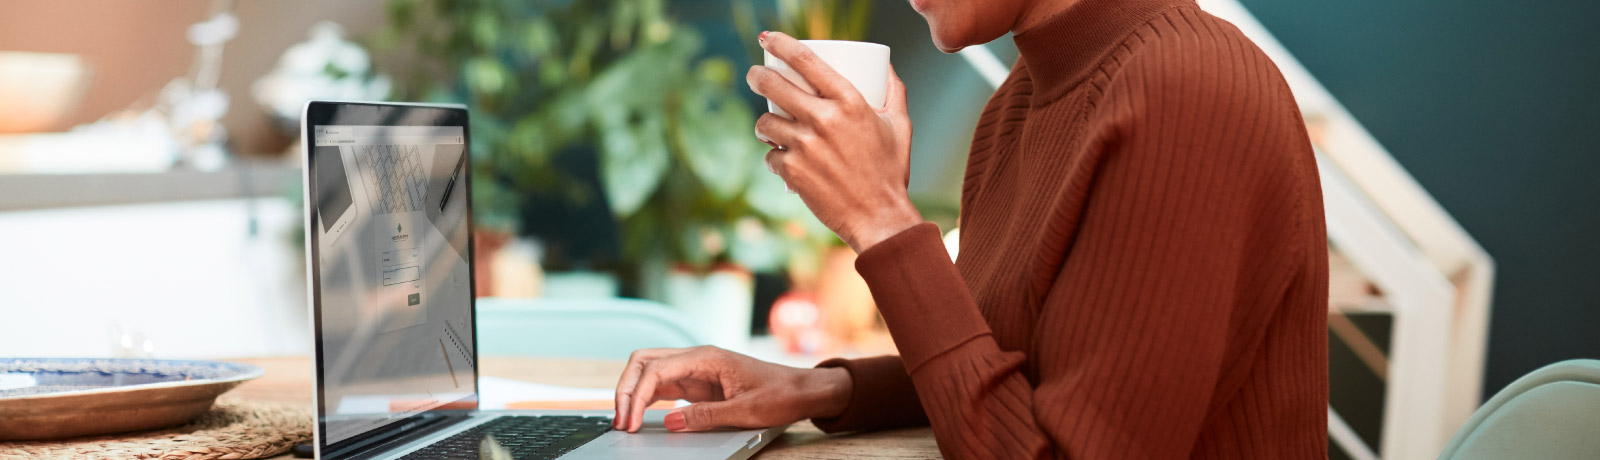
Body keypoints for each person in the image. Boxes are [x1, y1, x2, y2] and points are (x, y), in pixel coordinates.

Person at [612, 0, 1329, 457]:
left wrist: (881, 218)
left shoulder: (1187, 89)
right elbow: (1030, 374)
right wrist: (824, 391)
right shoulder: (1022, 98)